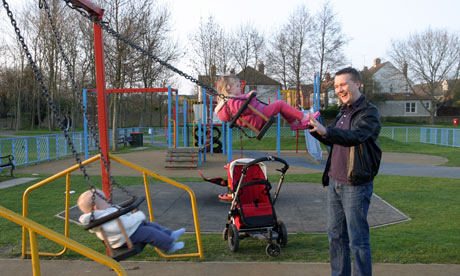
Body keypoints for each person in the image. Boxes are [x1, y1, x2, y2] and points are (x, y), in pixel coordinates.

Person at [308, 67, 382, 276]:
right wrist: (311, 128)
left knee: (357, 239)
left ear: (357, 84)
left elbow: (355, 136)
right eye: (337, 86)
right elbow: (332, 137)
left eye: (343, 84)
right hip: (335, 181)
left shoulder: (369, 113)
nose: (339, 89)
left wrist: (328, 130)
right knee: (335, 235)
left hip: (356, 185)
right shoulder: (343, 111)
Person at [77, 190, 185, 253]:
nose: (108, 201)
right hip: (123, 240)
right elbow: (120, 226)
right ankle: (169, 246)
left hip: (127, 234)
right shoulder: (101, 219)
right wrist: (137, 216)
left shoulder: (103, 212)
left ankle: (171, 234)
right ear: (96, 207)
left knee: (149, 225)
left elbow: (119, 216)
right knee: (149, 232)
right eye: (104, 200)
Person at [214, 75, 319, 131]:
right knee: (280, 104)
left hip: (258, 115)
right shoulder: (231, 102)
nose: (240, 88)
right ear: (228, 89)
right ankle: (303, 117)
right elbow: (244, 108)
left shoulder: (232, 100)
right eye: (237, 86)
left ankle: (294, 123)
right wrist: (248, 96)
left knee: (280, 107)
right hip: (258, 117)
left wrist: (248, 97)